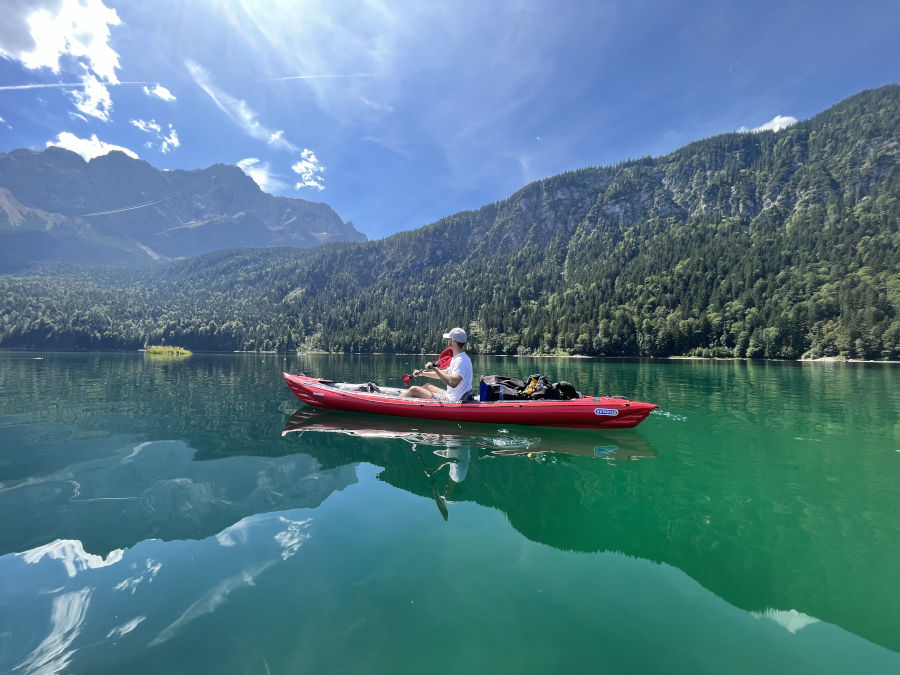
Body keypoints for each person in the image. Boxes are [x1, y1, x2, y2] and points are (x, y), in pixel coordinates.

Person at [401, 327, 473, 402]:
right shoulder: (460, 357)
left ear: (453, 342)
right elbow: (445, 373)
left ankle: (398, 399)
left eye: (449, 339)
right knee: (427, 386)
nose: (447, 341)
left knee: (414, 390)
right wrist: (422, 373)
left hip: (452, 400)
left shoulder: (460, 360)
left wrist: (435, 369)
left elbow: (453, 383)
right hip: (451, 395)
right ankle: (414, 401)